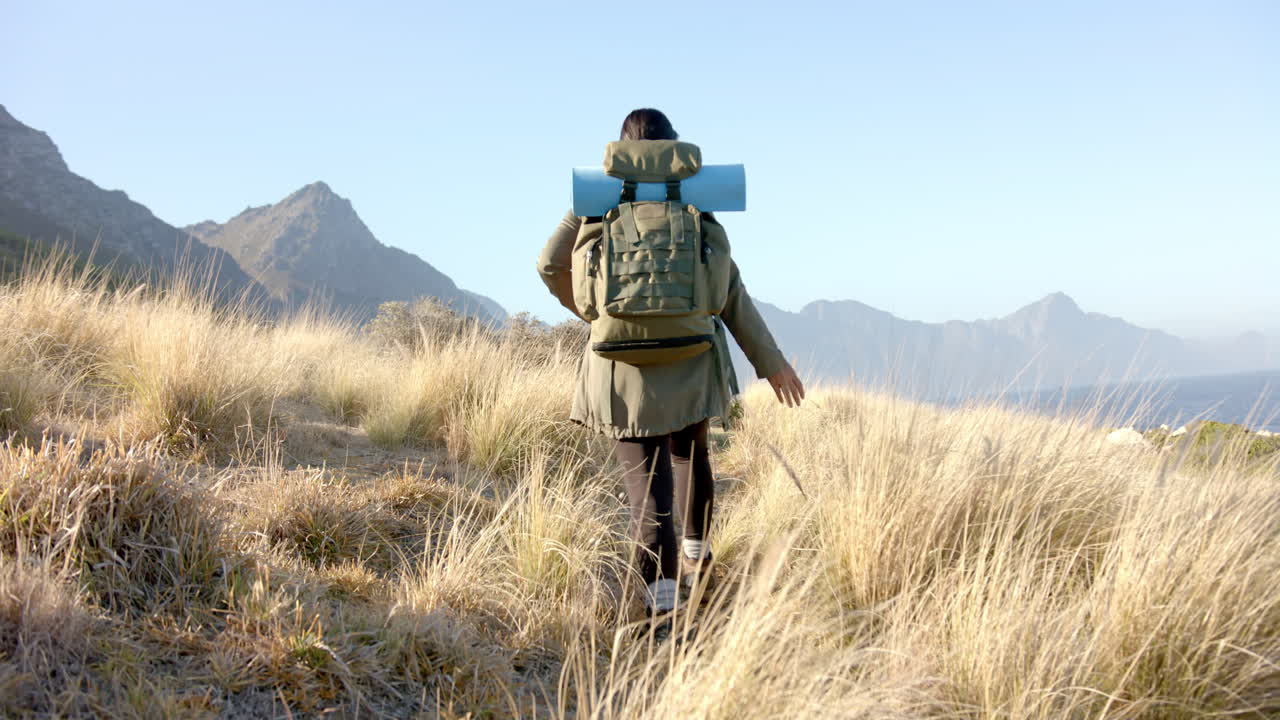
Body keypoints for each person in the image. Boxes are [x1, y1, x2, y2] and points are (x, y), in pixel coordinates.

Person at [536, 108, 804, 633]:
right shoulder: (694, 202)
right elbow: (729, 292)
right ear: (673, 148)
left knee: (648, 487)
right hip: (691, 357)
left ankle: (663, 607)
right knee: (690, 456)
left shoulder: (598, 202)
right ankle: (698, 561)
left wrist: (596, 315)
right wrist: (772, 365)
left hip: (619, 367)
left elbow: (549, 263)